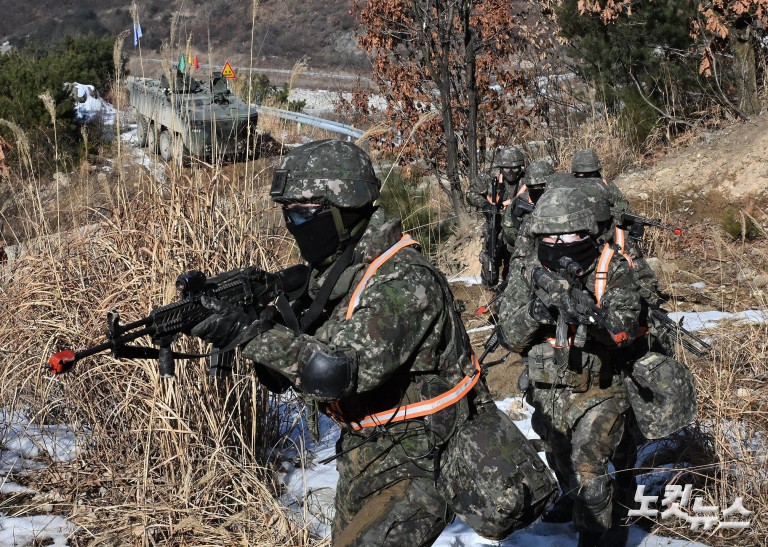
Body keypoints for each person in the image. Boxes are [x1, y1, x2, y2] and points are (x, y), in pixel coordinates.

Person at [191, 139, 556, 546]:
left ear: (343, 208)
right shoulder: (338, 271)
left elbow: (337, 372)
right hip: (367, 452)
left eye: (302, 213)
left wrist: (248, 333)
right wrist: (264, 317)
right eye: (287, 213)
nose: (292, 224)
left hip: (419, 459)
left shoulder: (403, 280)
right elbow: (297, 367)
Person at [496, 187, 646, 547]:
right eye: (551, 236)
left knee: (586, 467)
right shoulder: (527, 272)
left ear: (588, 234)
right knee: (564, 467)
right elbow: (509, 336)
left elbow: (626, 326)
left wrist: (592, 322)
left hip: (602, 389)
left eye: (571, 236)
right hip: (548, 391)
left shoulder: (611, 266)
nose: (561, 243)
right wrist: (538, 312)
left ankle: (602, 534)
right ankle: (595, 509)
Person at [467, 147, 527, 288]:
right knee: (489, 264)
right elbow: (471, 193)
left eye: (515, 168)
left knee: (514, 265)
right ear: (501, 167)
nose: (511, 172)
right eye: (507, 169)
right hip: (494, 225)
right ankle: (489, 288)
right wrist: (485, 205)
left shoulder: (526, 179)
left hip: (516, 228)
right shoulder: (489, 176)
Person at [501, 158, 555, 262]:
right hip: (527, 253)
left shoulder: (559, 202)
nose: (538, 190)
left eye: (542, 186)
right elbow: (509, 232)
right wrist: (524, 232)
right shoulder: (520, 202)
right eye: (533, 187)